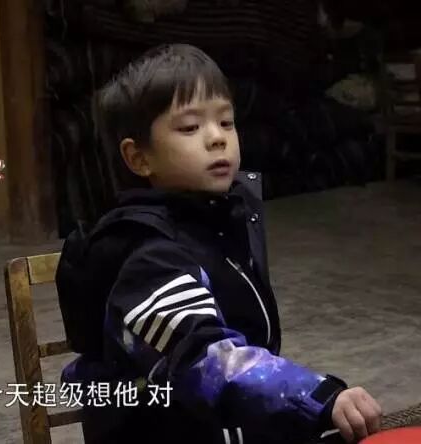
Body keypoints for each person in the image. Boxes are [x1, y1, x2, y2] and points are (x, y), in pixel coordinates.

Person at [55, 44, 382, 444]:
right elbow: (207, 360)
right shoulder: (148, 256)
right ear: (139, 158)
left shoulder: (218, 223)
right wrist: (316, 396)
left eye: (226, 122)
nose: (216, 138)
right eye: (190, 128)